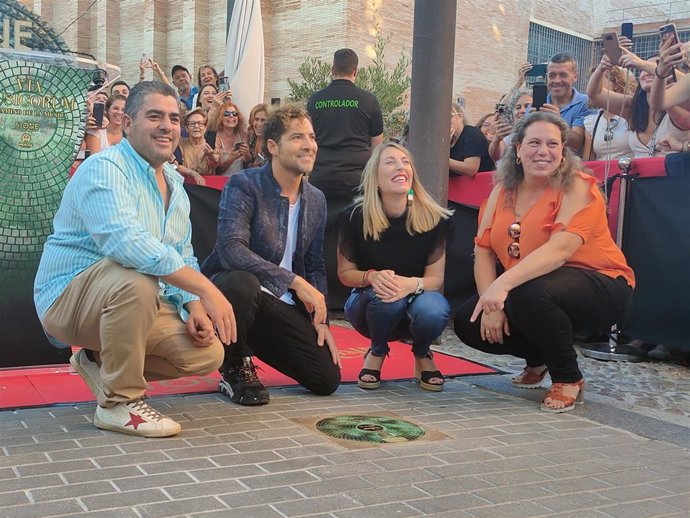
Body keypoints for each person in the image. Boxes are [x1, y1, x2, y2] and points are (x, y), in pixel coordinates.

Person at [34, 81, 237, 437]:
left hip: (127, 300)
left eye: (174, 118)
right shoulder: (104, 168)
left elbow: (182, 252)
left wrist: (193, 305)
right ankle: (118, 404)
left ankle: (97, 360)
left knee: (205, 354)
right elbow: (125, 243)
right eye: (154, 116)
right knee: (137, 276)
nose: (167, 126)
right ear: (127, 124)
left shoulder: (175, 184)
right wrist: (207, 289)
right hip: (67, 299)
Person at [454, 111, 634, 413]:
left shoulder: (577, 186)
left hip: (600, 283)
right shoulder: (501, 191)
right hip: (532, 287)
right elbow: (483, 250)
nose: (544, 151)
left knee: (530, 294)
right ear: (518, 150)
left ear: (563, 152)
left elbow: (560, 250)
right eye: (534, 142)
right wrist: (490, 303)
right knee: (466, 320)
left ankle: (568, 377)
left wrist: (501, 287)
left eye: (553, 144)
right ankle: (537, 360)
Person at [201, 103, 341, 406]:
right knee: (242, 283)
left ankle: (249, 342)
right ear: (273, 147)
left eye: (312, 137)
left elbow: (315, 263)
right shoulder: (244, 184)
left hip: (277, 305)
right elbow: (230, 249)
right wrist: (294, 282)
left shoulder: (316, 198)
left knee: (326, 379)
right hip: (235, 294)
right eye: (297, 138)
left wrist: (322, 320)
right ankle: (234, 364)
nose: (308, 145)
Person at [337, 142, 453, 391]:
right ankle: (377, 352)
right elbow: (345, 274)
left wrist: (408, 285)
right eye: (390, 162)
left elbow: (435, 279)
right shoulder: (355, 215)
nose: (401, 167)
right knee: (386, 295)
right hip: (367, 302)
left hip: (414, 296)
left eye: (405, 162)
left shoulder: (434, 218)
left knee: (435, 309)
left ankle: (422, 354)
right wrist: (373, 276)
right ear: (375, 177)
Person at [307, 48, 384, 307]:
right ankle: (355, 293)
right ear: (356, 71)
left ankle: (321, 292)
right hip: (357, 178)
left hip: (321, 175)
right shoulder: (368, 100)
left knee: (319, 233)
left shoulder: (315, 101)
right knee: (356, 231)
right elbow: (377, 147)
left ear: (332, 69)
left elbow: (309, 140)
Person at [587, 50, 690, 158]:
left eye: (653, 68)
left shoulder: (682, 105)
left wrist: (643, 64)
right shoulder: (632, 106)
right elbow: (595, 93)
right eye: (643, 70)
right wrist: (601, 67)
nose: (647, 73)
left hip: (674, 173)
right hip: (639, 174)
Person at [545, 53, 597, 154]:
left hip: (570, 167)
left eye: (563, 75)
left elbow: (576, 143)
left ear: (575, 77)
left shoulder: (586, 103)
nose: (556, 80)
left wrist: (557, 121)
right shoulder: (535, 106)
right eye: (552, 75)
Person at [582, 65, 636, 161]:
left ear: (616, 84)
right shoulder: (591, 122)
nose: (593, 85)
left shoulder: (632, 114)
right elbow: (588, 160)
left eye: (598, 81)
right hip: (602, 175)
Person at [174, 107, 220, 185]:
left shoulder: (211, 143)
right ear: (186, 128)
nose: (196, 126)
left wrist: (211, 156)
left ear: (205, 127)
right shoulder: (179, 142)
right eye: (192, 123)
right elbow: (176, 166)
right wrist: (193, 173)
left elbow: (215, 164)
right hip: (186, 186)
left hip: (206, 186)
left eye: (200, 123)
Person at [449, 102, 495, 176]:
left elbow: (471, 169)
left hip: (480, 185)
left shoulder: (472, 134)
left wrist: (442, 159)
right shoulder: (446, 140)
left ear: (460, 116)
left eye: (450, 116)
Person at [488, 88, 534, 162]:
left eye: (527, 106)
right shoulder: (509, 138)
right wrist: (496, 140)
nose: (522, 111)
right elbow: (496, 156)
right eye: (518, 107)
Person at [210, 101, 250, 176]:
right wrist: (231, 158)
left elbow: (247, 160)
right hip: (221, 182)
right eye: (226, 114)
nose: (231, 116)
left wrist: (247, 153)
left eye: (234, 114)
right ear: (220, 118)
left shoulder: (242, 134)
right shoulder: (215, 137)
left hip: (239, 181)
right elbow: (218, 170)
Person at [245, 103, 269, 168]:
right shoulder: (251, 137)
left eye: (263, 120)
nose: (259, 124)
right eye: (256, 119)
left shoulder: (272, 142)